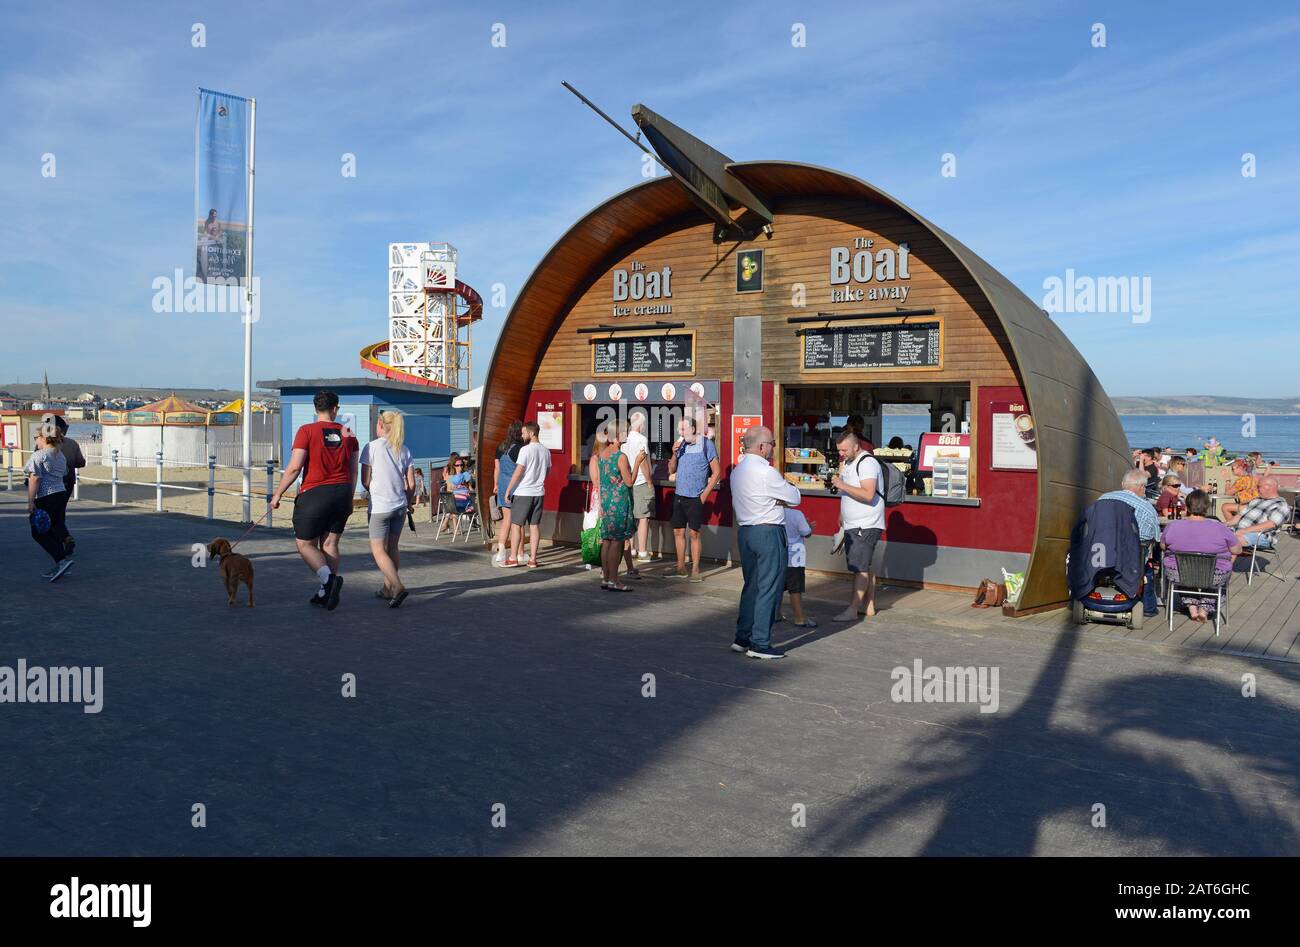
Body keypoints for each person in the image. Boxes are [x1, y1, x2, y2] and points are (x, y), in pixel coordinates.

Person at [271, 390, 359, 611]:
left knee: (305, 544)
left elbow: (294, 467)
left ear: (315, 408)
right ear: (335, 409)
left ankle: (329, 582)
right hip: (342, 492)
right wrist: (349, 495)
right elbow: (353, 469)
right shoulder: (348, 433)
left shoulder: (306, 431)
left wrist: (278, 493)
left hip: (316, 493)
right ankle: (325, 593)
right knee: (330, 543)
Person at [730, 426, 802, 659]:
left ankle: (743, 637)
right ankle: (759, 643)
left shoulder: (737, 471)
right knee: (769, 587)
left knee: (751, 585)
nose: (773, 447)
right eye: (771, 443)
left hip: (746, 531)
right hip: (768, 532)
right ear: (761, 446)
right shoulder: (766, 472)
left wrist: (774, 501)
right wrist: (779, 501)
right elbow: (795, 497)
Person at [360, 411, 415, 608]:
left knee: (378, 550)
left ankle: (397, 586)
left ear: (382, 426)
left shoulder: (372, 447)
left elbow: (365, 480)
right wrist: (408, 502)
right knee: (393, 547)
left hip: (380, 506)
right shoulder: (404, 449)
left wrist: (374, 488)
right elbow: (411, 483)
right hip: (400, 505)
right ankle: (386, 588)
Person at [1162, 489, 1241, 623]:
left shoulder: (1173, 526)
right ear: (1207, 507)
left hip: (1180, 573)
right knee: (1218, 578)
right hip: (1214, 574)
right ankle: (1204, 609)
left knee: (1184, 569)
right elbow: (1237, 550)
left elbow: (1163, 546)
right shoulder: (1220, 528)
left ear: (1186, 507)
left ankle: (1192, 608)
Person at [830, 430, 885, 622]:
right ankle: (868, 606)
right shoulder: (850, 462)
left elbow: (868, 494)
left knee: (859, 567)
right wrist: (842, 513)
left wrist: (841, 484)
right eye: (839, 450)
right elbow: (850, 492)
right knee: (864, 565)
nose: (841, 454)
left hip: (866, 523)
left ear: (856, 446)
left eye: (844, 450)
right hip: (854, 522)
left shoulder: (867, 462)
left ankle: (852, 610)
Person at [1098, 468, 1161, 617]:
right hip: (1131, 560)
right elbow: (1155, 536)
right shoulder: (1146, 508)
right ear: (1141, 487)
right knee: (1147, 566)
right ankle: (1149, 609)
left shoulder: (1102, 499)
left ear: (1122, 484)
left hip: (1102, 555)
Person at [667, 416, 720, 582]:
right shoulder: (681, 445)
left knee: (694, 533)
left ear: (693, 429)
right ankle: (680, 567)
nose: (679, 433)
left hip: (695, 496)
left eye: (682, 429)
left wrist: (704, 495)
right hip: (679, 495)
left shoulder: (706, 444)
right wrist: (674, 454)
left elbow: (716, 472)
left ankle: (695, 569)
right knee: (678, 531)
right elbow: (671, 469)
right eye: (678, 429)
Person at [587, 421, 635, 590]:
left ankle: (606, 578)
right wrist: (638, 463)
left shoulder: (602, 454)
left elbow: (599, 483)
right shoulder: (620, 456)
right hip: (619, 502)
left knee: (606, 541)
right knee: (616, 542)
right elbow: (629, 482)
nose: (627, 434)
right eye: (625, 432)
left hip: (606, 502)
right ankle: (615, 580)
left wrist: (600, 504)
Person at [25, 423, 74, 582]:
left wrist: (31, 501)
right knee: (52, 528)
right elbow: (64, 473)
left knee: (38, 531)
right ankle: (62, 562)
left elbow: (35, 478)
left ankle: (61, 561)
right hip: (60, 494)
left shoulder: (39, 455)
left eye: (36, 437)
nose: (35, 441)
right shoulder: (60, 455)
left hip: (46, 496)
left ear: (44, 438)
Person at [504, 421, 551, 568]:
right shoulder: (546, 451)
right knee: (534, 526)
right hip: (539, 492)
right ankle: (533, 559)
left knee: (516, 525)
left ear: (531, 433)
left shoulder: (525, 450)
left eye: (524, 433)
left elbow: (518, 471)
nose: (522, 435)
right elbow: (548, 472)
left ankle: (513, 558)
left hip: (524, 492)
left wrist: (508, 490)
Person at [1223, 475, 1291, 549]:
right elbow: (1239, 516)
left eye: (1259, 487)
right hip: (1240, 531)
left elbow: (1270, 524)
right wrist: (1225, 524)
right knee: (1216, 533)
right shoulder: (1256, 500)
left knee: (1233, 540)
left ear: (1269, 487)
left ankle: (1224, 560)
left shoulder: (1281, 505)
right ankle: (1215, 559)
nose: (1256, 489)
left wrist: (1244, 531)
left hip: (1261, 536)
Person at [51, 415, 85, 556]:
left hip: (52, 483)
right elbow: (81, 463)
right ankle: (64, 538)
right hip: (68, 481)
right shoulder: (72, 443)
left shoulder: (46, 444)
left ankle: (63, 539)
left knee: (52, 513)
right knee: (60, 510)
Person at [779, 505, 817, 628]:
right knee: (795, 590)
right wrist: (809, 526)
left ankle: (776, 614)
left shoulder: (772, 512)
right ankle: (799, 618)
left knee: (777, 588)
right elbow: (806, 533)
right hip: (795, 556)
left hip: (778, 554)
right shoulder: (796, 514)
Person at [624, 410, 654, 561]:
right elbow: (642, 460)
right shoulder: (641, 439)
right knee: (643, 517)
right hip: (641, 480)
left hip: (629, 479)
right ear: (641, 424)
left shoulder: (624, 439)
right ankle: (642, 551)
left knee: (631, 517)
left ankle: (632, 550)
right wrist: (649, 480)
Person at [492, 421, 523, 566]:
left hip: (503, 483)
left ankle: (501, 551)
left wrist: (496, 484)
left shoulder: (501, 447)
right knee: (518, 521)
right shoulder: (521, 448)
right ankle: (520, 553)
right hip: (516, 484)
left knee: (506, 519)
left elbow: (496, 468)